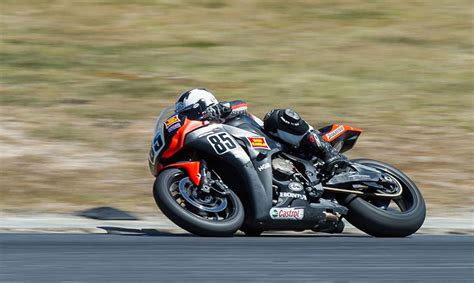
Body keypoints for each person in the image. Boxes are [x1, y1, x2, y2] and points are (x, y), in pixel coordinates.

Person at [175, 88, 348, 175]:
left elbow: (240, 104)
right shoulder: (205, 136)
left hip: (277, 145)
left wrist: (221, 110)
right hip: (258, 165)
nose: (188, 118)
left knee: (277, 116)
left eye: (189, 112)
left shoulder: (224, 113)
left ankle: (328, 153)